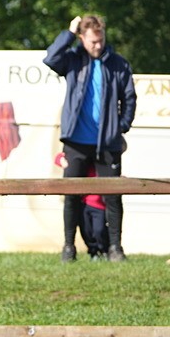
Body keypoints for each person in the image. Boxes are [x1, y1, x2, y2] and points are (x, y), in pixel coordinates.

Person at [43, 15, 135, 262]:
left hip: (108, 142)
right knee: (71, 194)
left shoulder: (118, 63)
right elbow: (50, 58)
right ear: (83, 38)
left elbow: (129, 98)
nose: (98, 45)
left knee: (113, 196)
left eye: (101, 40)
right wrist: (69, 33)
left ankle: (115, 248)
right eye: (93, 41)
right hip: (75, 141)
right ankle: (69, 247)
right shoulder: (72, 60)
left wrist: (121, 127)